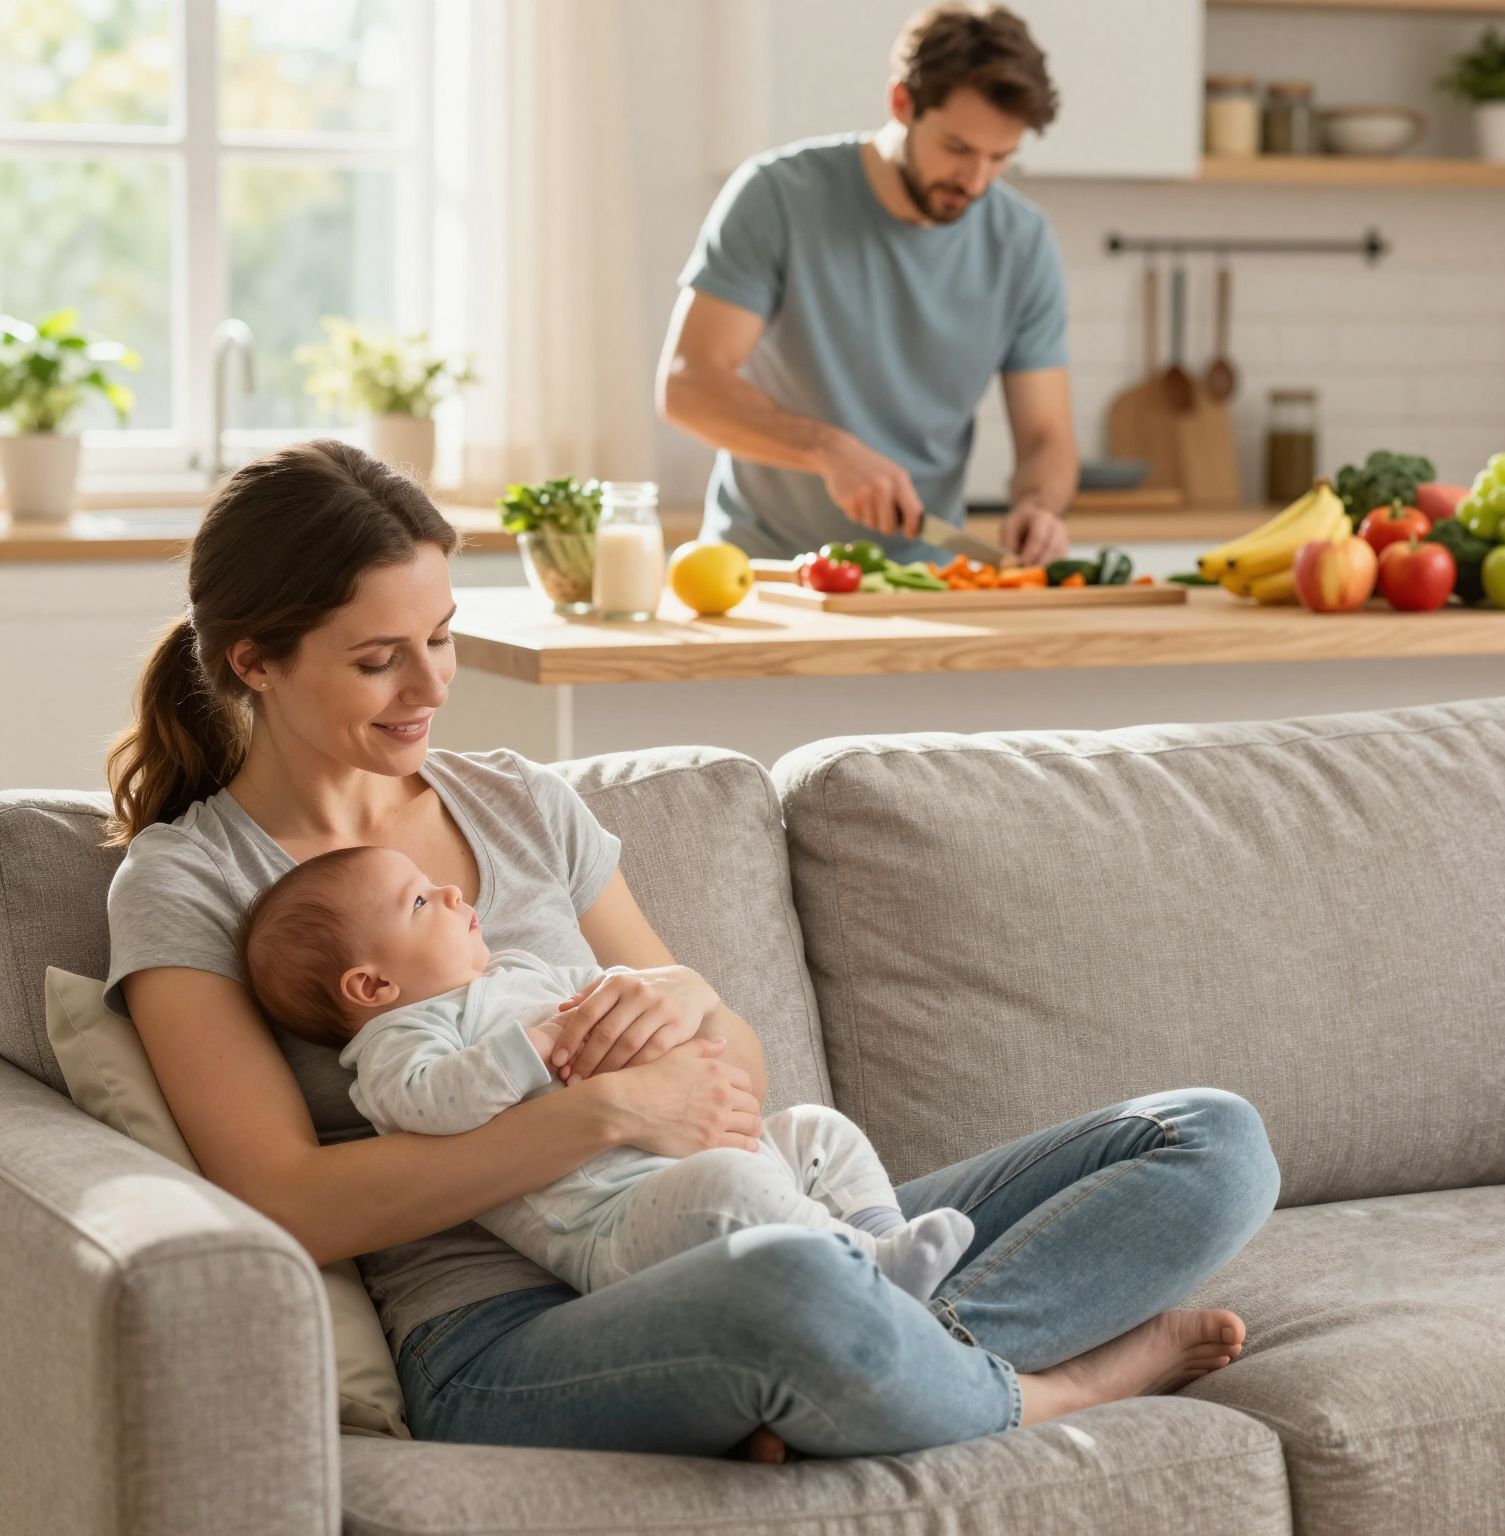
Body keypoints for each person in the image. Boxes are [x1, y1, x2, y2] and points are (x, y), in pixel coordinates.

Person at [101, 439, 1281, 1460]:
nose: (431, 688)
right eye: (377, 660)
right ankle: (1043, 1387)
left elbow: (735, 1076)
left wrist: (683, 998)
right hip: (501, 1330)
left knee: (1207, 1138)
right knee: (790, 1290)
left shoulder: (520, 806)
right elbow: (283, 1201)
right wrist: (604, 1114)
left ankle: (868, 1370)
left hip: (735, 1213)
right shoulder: (192, 881)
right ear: (255, 660)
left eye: (443, 640)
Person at [241, 844, 975, 1301]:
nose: (456, 895)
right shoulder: (400, 1041)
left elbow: (622, 990)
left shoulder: (517, 971)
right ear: (371, 987)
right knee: (734, 1186)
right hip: (614, 1224)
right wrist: (539, 1042)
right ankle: (869, 1278)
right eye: (422, 901)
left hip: (701, 1149)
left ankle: (883, 1242)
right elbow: (433, 1104)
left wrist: (661, 994)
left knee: (821, 1129)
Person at [658, 3, 1079, 569]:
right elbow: (689, 386)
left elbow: (1047, 437)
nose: (975, 180)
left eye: (1000, 157)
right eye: (957, 149)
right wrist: (827, 450)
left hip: (924, 579)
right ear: (901, 102)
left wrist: (1039, 506)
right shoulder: (777, 196)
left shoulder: (1022, 243)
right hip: (760, 575)